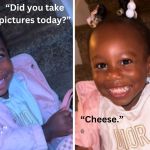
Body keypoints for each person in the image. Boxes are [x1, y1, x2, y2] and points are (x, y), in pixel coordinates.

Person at [75, 16, 150, 150]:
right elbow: (83, 143)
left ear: (148, 67)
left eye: (125, 62)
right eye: (101, 65)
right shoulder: (94, 105)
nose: (113, 74)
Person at [0, 31, 72, 149]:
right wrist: (47, 131)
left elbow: (51, 107)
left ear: (8, 53)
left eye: (0, 56)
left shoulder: (23, 78)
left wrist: (64, 122)